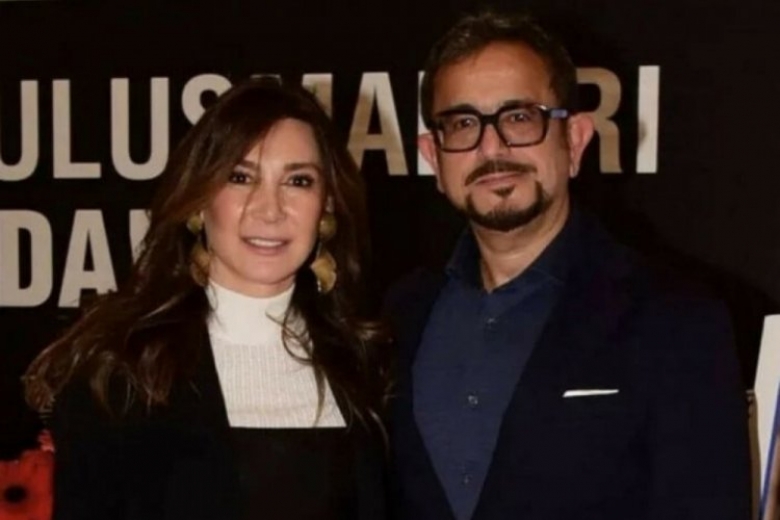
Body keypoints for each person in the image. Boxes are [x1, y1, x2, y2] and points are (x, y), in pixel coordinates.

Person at [384, 10, 751, 520]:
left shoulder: (677, 320)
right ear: (433, 156)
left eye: (519, 118)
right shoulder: (398, 317)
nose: (492, 147)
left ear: (574, 140)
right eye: (463, 123)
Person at [23, 77, 388, 520]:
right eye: (240, 177)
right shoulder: (123, 375)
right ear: (199, 201)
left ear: (326, 205)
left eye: (298, 180)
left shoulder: (366, 365)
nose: (270, 209)